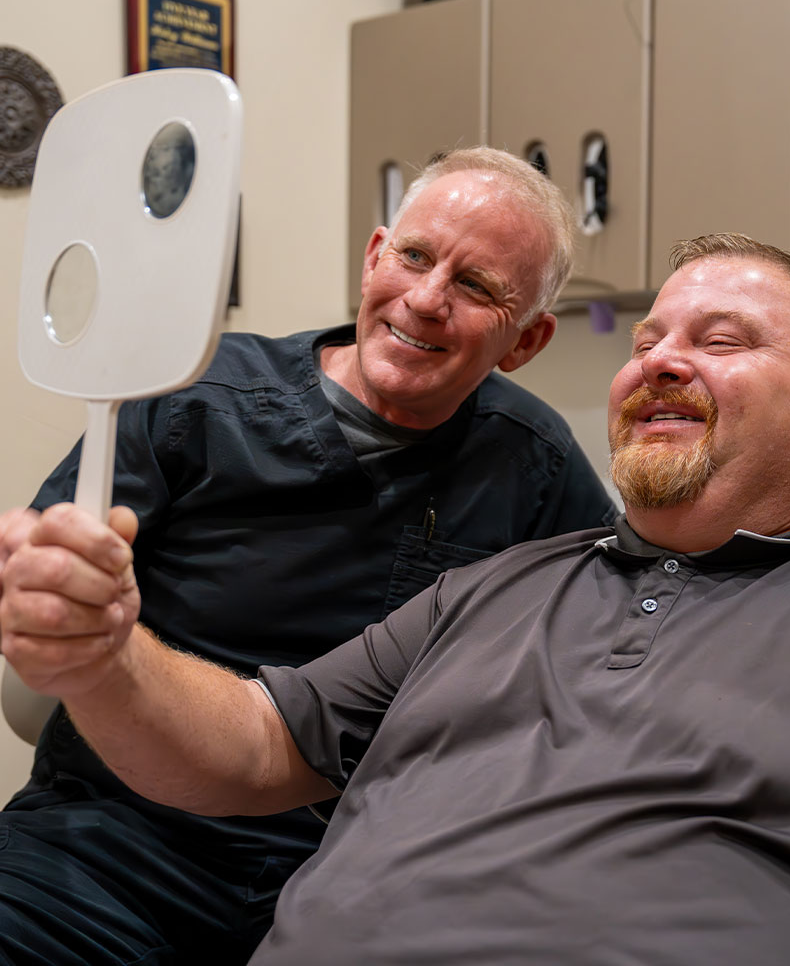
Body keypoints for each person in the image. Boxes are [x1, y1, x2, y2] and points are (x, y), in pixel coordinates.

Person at [5, 233, 790, 965]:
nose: (659, 362)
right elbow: (257, 746)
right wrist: (108, 653)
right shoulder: (491, 586)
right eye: (646, 341)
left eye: (718, 340)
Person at [0, 146, 616, 966]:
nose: (426, 299)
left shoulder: (536, 466)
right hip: (110, 842)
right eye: (415, 256)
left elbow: (615, 651)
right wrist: (52, 597)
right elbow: (42, 585)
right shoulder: (195, 400)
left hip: (356, 876)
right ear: (373, 258)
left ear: (526, 340)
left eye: (475, 287)